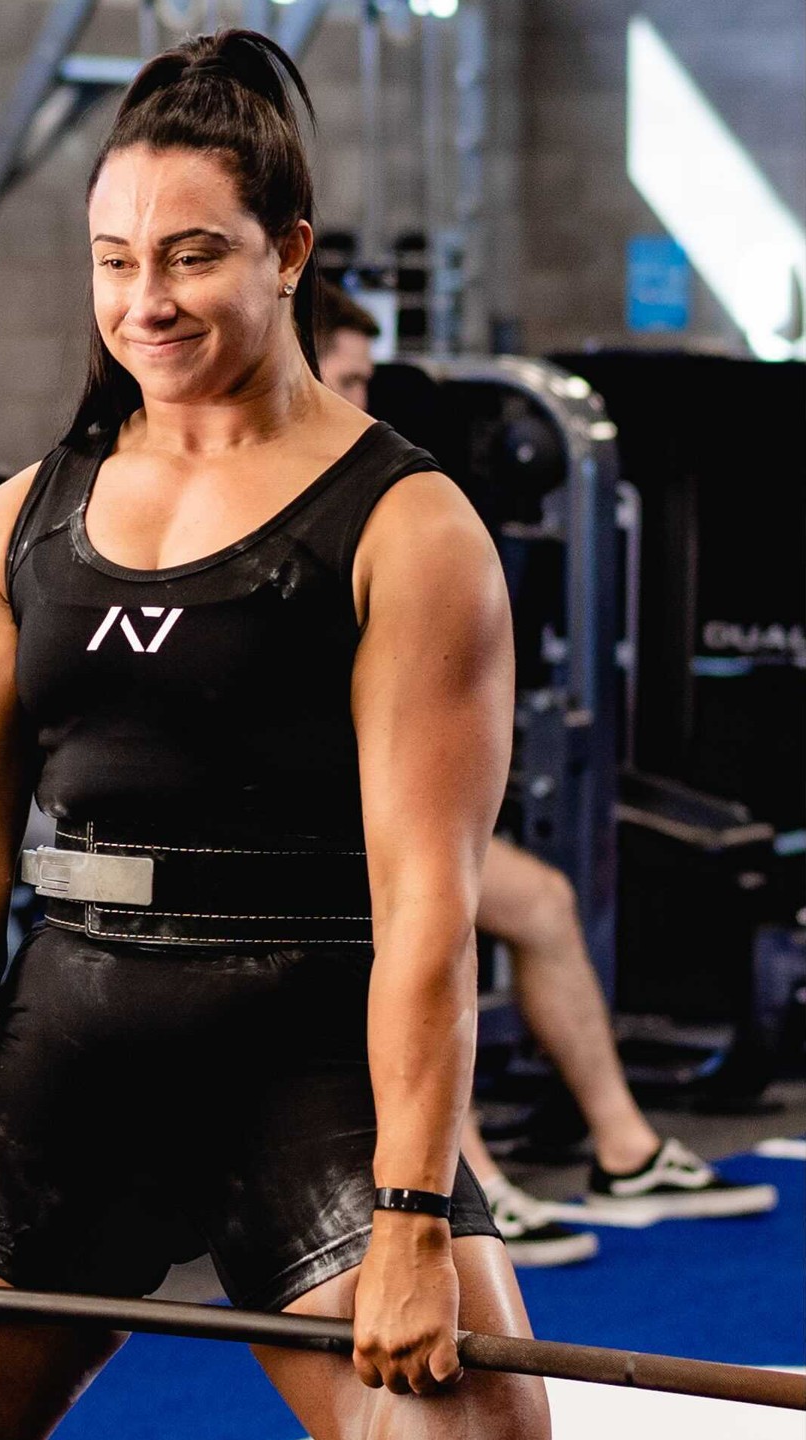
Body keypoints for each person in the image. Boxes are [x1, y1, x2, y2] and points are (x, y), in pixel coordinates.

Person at [0, 30, 550, 1439]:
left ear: (288, 253)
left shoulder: (409, 528)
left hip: (311, 1052)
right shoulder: (17, 527)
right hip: (71, 1050)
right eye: (115, 259)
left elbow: (428, 902)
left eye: (194, 255)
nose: (149, 298)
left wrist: (409, 1215)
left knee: (477, 1433)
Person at [316, 283, 778, 1268]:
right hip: (320, 836)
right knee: (427, 923)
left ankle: (626, 1148)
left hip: (391, 810)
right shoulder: (293, 507)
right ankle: (454, 1182)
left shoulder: (379, 494)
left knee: (544, 901)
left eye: (366, 378)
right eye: (347, 376)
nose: (361, 398)